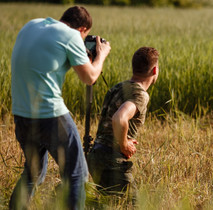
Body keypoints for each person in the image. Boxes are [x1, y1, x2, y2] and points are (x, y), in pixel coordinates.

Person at [10, 6, 111, 209]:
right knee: (76, 175)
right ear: (82, 28)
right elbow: (90, 77)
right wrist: (101, 55)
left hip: (21, 114)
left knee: (33, 173)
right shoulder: (71, 35)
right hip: (50, 115)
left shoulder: (31, 25)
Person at [87, 47, 159, 205]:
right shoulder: (140, 94)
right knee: (133, 205)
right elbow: (119, 118)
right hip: (111, 159)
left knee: (111, 204)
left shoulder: (118, 87)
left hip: (96, 155)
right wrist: (124, 143)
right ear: (155, 70)